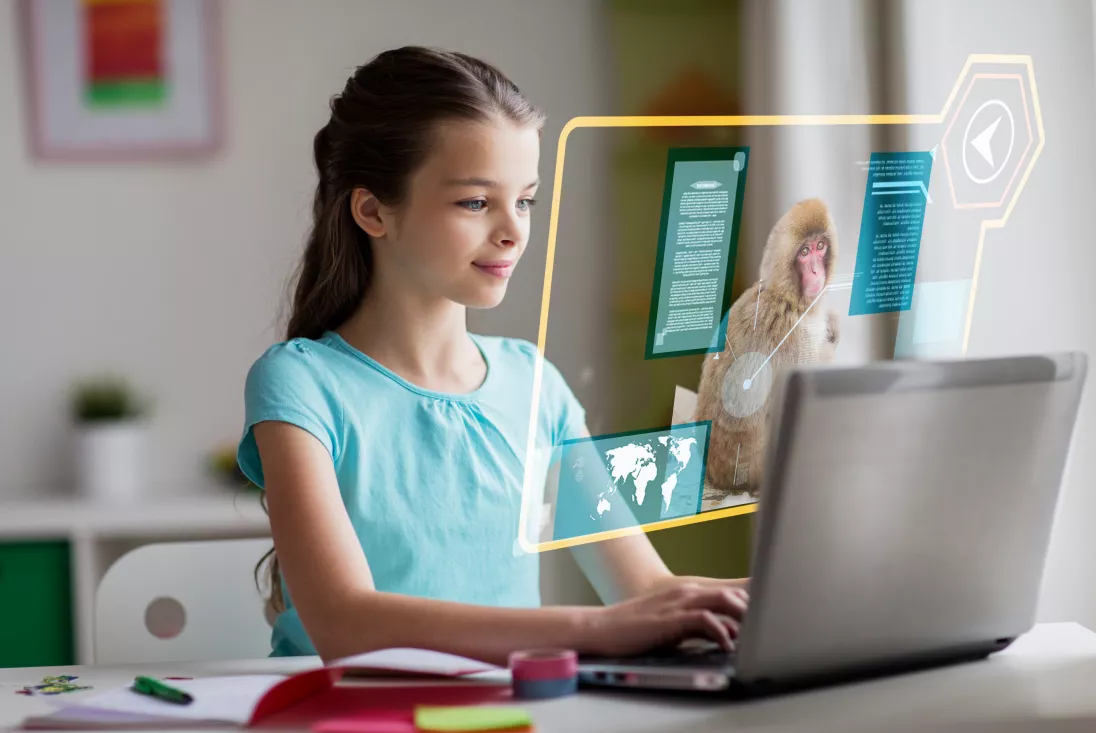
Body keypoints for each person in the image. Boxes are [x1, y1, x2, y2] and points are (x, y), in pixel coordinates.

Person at [237, 46, 749, 665]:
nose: (513, 230)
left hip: (504, 714)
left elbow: (646, 590)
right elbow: (344, 624)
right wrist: (594, 629)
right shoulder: (300, 384)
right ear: (373, 211)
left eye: (525, 200)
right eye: (476, 202)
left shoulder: (533, 381)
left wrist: (780, 596)